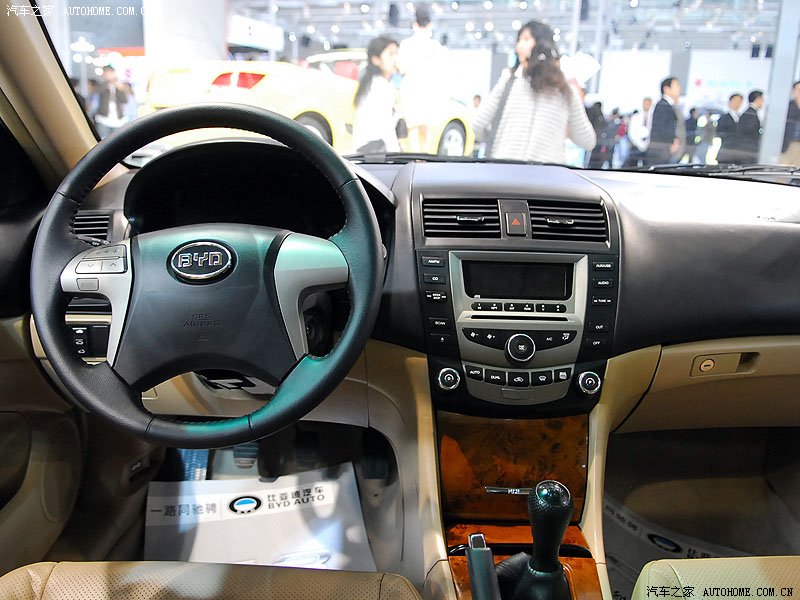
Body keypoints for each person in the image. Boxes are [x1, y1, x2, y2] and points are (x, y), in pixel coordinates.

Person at [473, 20, 595, 163]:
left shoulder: (510, 80)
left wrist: (498, 141)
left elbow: (478, 124)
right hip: (547, 172)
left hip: (506, 168)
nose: (519, 45)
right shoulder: (564, 89)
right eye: (519, 40)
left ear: (542, 43)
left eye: (526, 39)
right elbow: (587, 141)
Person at [397, 5, 447, 153]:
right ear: (430, 24)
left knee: (413, 132)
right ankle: (424, 161)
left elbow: (401, 68)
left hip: (411, 92)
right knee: (427, 135)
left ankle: (415, 160)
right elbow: (441, 73)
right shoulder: (436, 47)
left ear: (415, 23)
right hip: (429, 92)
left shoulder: (406, 44)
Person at [352, 36, 401, 154]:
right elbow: (386, 128)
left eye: (396, 53)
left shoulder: (375, 83)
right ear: (376, 59)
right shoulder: (379, 86)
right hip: (375, 153)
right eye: (391, 54)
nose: (395, 59)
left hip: (369, 151)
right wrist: (397, 154)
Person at [646, 77, 682, 165]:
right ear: (666, 89)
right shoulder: (663, 105)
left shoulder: (667, 105)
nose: (680, 88)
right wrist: (673, 141)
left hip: (662, 151)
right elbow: (662, 128)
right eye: (676, 85)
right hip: (660, 152)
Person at [94, 66, 130, 138]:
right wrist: (108, 82)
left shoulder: (120, 85)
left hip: (118, 121)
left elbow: (124, 100)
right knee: (102, 140)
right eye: (107, 73)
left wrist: (118, 87)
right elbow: (98, 91)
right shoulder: (102, 85)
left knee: (118, 140)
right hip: (103, 119)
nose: (109, 75)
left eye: (110, 72)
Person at [737, 90, 764, 164]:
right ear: (758, 99)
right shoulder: (751, 113)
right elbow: (749, 131)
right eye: (762, 100)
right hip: (748, 150)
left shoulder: (751, 112)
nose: (763, 103)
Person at [624, 97, 652, 167]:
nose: (646, 105)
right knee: (632, 166)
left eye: (648, 104)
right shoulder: (635, 117)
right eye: (645, 103)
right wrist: (639, 144)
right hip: (636, 146)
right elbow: (631, 132)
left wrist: (647, 144)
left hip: (649, 147)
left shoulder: (654, 117)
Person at [716, 93, 743, 164]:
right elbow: (720, 133)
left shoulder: (743, 118)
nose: (737, 103)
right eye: (735, 101)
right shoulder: (723, 118)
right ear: (729, 102)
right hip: (726, 152)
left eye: (739, 101)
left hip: (739, 155)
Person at [780, 81, 800, 166]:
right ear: (793, 91)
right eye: (798, 89)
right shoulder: (788, 106)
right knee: (783, 167)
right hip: (788, 143)